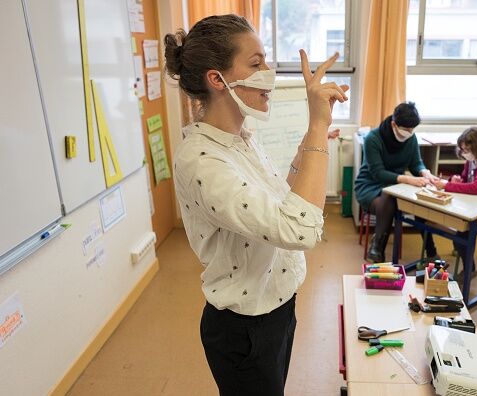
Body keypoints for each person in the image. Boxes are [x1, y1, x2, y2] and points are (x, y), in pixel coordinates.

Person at [163, 15, 348, 396]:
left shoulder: (241, 137)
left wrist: (308, 148)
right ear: (218, 79)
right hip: (244, 328)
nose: (269, 72)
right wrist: (315, 129)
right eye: (256, 63)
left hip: (278, 306)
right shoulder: (200, 159)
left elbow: (281, 200)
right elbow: (299, 229)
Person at [354, 102, 441, 263]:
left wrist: (425, 173)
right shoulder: (373, 138)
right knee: (390, 197)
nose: (409, 133)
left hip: (396, 186)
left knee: (419, 202)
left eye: (412, 130)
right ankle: (378, 250)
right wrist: (408, 179)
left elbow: (416, 163)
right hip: (370, 186)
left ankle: (431, 251)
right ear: (394, 124)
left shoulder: (411, 138)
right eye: (406, 129)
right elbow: (377, 173)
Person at [432, 127, 477, 277]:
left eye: (467, 150)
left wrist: (447, 185)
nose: (465, 153)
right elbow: (465, 180)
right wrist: (455, 179)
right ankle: (446, 251)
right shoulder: (471, 161)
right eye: (463, 150)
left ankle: (470, 269)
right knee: (431, 219)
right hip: (468, 207)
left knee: (463, 235)